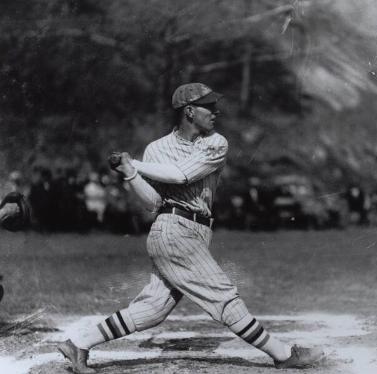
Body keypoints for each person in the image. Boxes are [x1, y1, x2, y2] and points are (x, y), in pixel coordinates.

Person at [57, 83, 325, 373]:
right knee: (223, 296)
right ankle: (283, 354)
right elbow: (153, 202)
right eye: (208, 107)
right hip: (172, 230)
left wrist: (133, 163)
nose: (215, 111)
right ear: (189, 111)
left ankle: (79, 344)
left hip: (193, 231)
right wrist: (131, 173)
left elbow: (182, 175)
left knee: (153, 309)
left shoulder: (216, 143)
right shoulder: (156, 149)